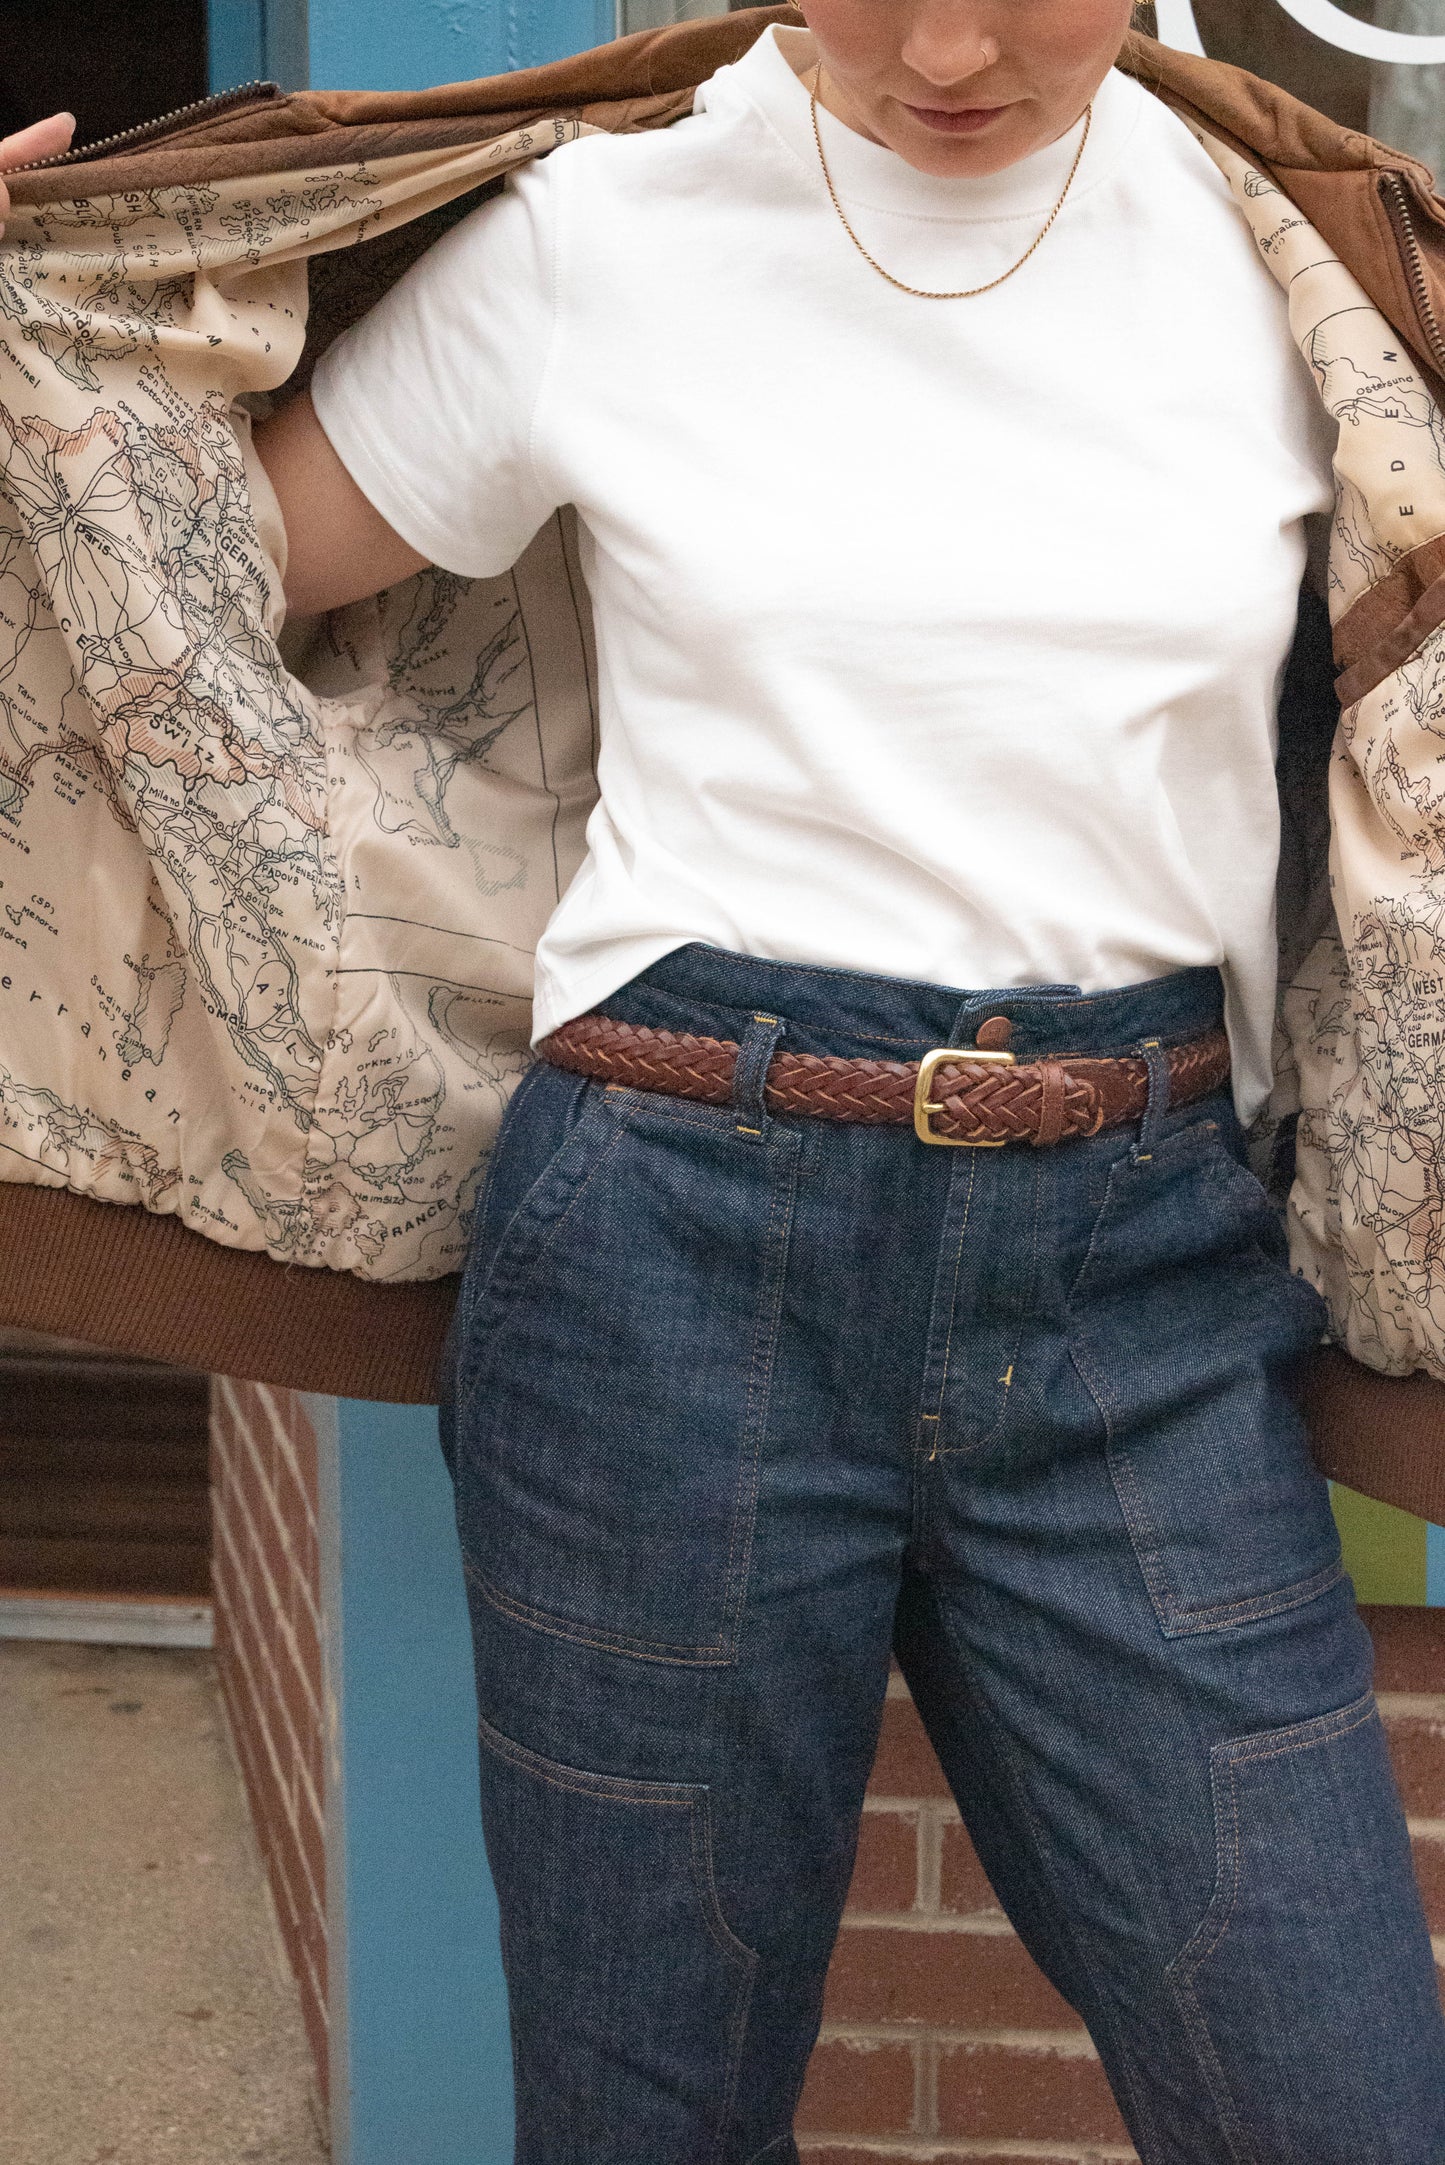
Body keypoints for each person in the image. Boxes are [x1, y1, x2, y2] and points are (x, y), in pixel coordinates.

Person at [26, 4, 1445, 2157]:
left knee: (1331, 2096)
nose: (947, 48)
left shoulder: (1310, 267)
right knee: (649, 2117)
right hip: (677, 1252)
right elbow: (191, 572)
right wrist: (33, 328)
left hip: (1144, 1292)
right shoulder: (608, 228)